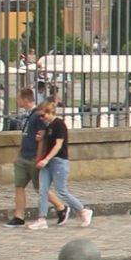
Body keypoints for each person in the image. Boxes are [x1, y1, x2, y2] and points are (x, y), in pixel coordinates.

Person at [30, 92, 90, 230]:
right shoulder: (49, 126)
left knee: (61, 191)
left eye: (43, 115)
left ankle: (82, 210)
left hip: (58, 161)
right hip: (49, 161)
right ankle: (42, 218)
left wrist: (46, 159)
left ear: (50, 112)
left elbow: (58, 145)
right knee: (42, 190)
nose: (41, 118)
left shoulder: (59, 125)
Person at [8, 85, 41, 228]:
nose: (17, 101)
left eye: (18, 98)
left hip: (33, 156)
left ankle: (61, 208)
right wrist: (18, 154)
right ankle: (19, 216)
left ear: (25, 99)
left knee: (40, 188)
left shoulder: (38, 115)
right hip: (24, 155)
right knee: (19, 186)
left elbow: (42, 138)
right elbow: (24, 136)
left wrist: (39, 157)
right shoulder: (26, 115)